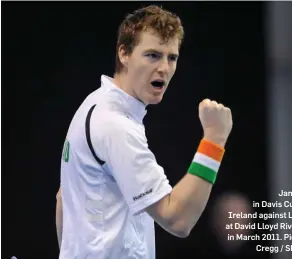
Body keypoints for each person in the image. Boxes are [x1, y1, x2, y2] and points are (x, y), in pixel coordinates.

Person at [56, 5, 233, 259]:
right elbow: (178, 219)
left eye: (171, 57)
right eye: (152, 55)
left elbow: (64, 201)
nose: (164, 67)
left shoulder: (93, 105)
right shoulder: (115, 125)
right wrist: (215, 139)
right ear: (124, 53)